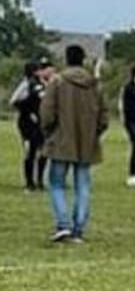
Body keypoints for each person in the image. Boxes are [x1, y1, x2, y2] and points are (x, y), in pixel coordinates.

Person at [39, 45, 107, 243]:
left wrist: (48, 131)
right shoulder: (94, 84)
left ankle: (63, 224)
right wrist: (94, 133)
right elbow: (103, 116)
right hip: (87, 142)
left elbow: (47, 112)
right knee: (83, 185)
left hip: (60, 140)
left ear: (66, 59)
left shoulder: (57, 82)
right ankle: (78, 228)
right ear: (83, 59)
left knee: (56, 183)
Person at [10, 59, 52, 192]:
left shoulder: (42, 84)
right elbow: (14, 101)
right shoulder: (27, 84)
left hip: (39, 122)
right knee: (30, 152)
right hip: (28, 123)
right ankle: (30, 182)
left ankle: (39, 181)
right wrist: (27, 110)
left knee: (42, 151)